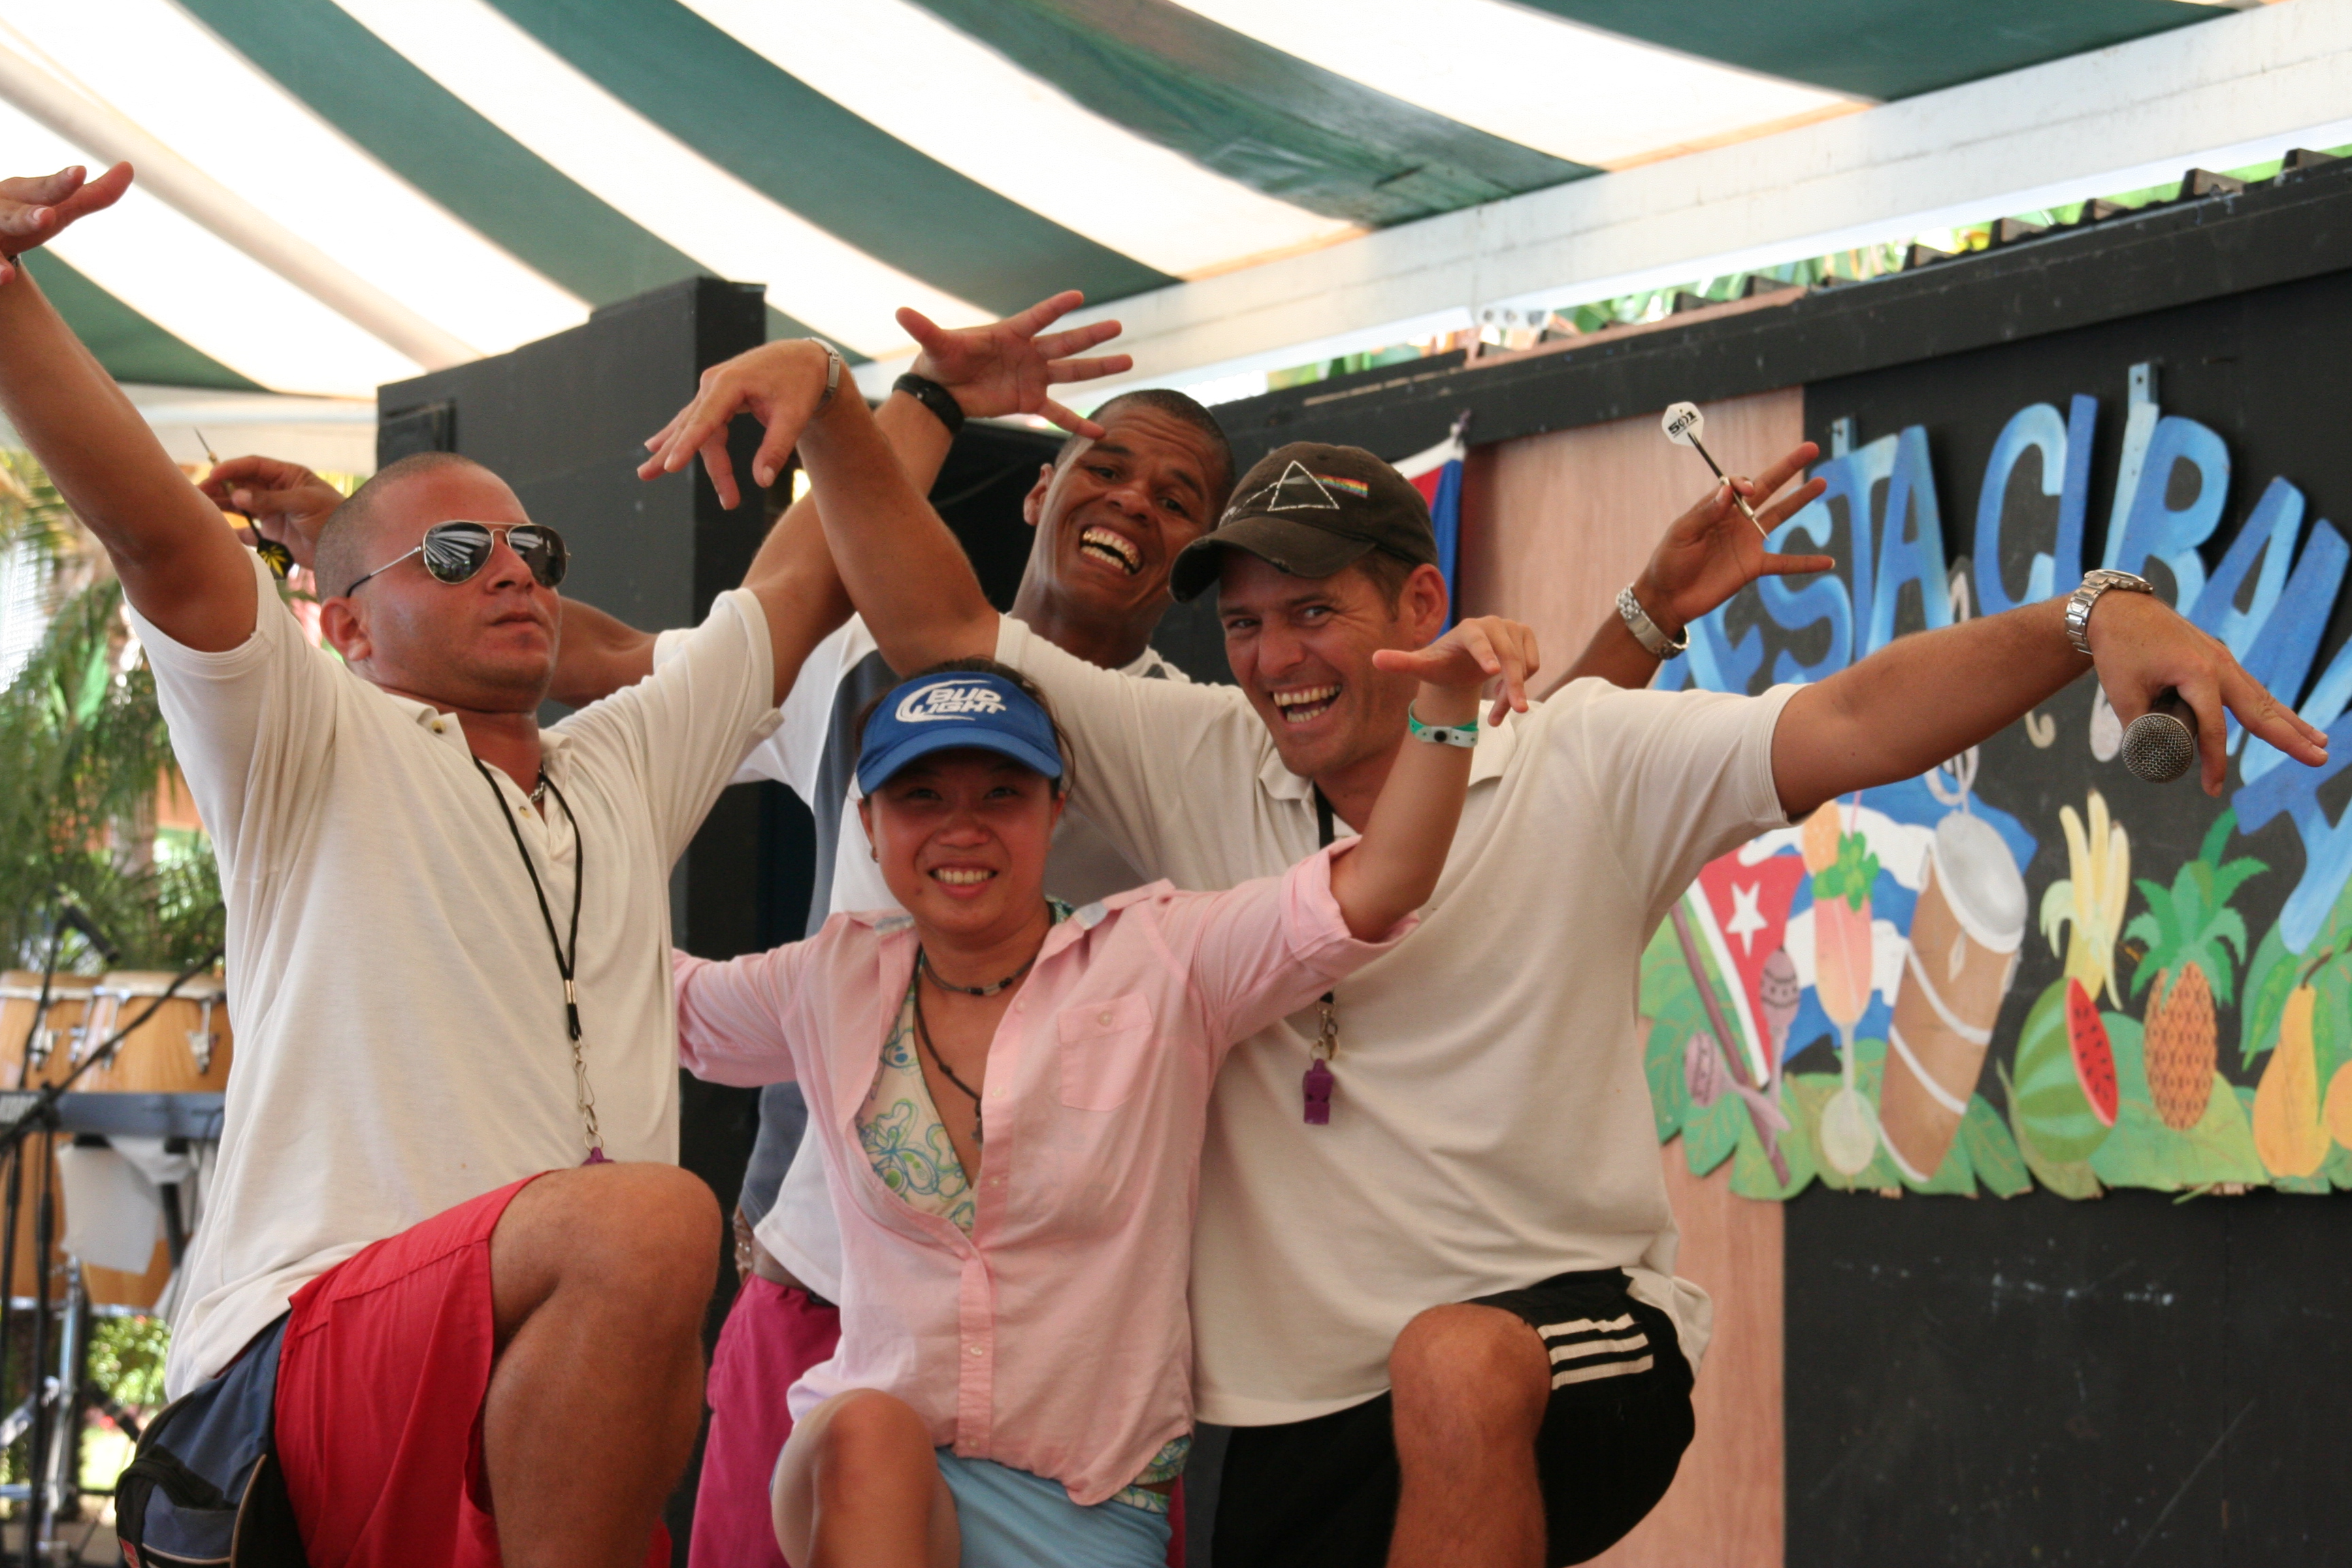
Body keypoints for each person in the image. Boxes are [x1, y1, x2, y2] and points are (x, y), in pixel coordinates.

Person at [647, 349, 2330, 1566]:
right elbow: (942, 627)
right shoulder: (1194, 756)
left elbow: (1850, 719)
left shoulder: (1586, 754)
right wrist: (842, 408)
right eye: (1245, 620)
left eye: (1316, 610)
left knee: (1453, 1364)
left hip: (1555, 1339)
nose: (1276, 656)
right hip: (1270, 1419)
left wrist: (2086, 616)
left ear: (1418, 604)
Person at [0, 162, 1107, 1568]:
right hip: (303, 1364)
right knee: (652, 1224)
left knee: (641, 1275)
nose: (514, 570)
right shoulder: (305, 740)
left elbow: (791, 583)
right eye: (457, 552)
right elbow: (158, 535)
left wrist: (917, 400)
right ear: (345, 625)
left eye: (532, 545)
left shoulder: (615, 769)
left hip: (529, 1389)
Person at [667, 608, 1508, 1563]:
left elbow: (1380, 883)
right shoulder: (830, 979)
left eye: (1001, 792)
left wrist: (1447, 705)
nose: (962, 828)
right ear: (868, 823)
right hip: (868, 1471)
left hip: (1086, 1505)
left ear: (1055, 809)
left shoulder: (1159, 959)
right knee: (868, 1432)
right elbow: (653, 999)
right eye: (921, 796)